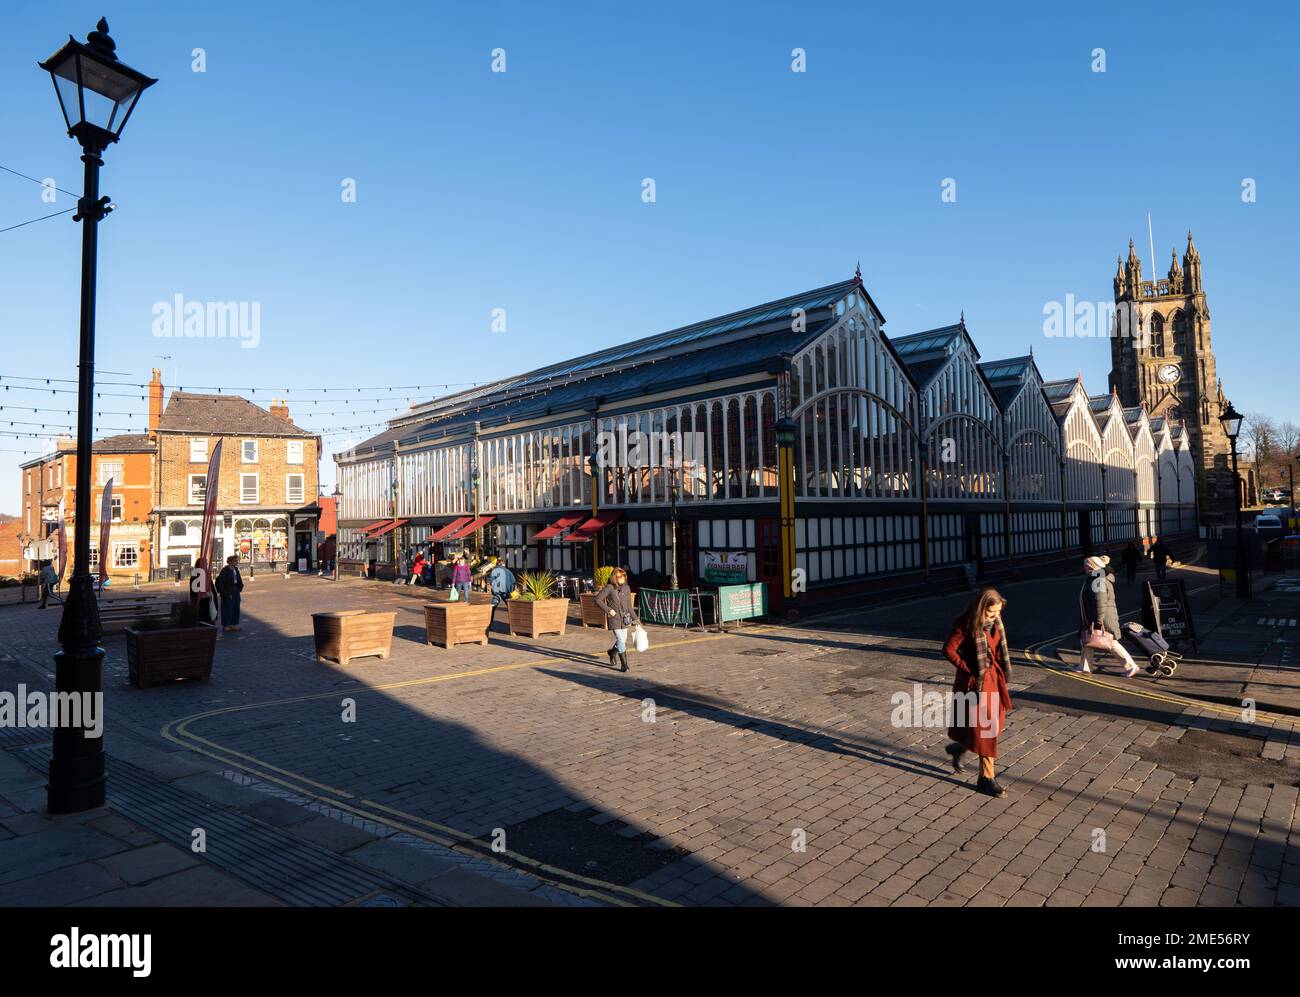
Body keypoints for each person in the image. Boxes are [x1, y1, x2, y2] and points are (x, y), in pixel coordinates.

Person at [943, 588, 1012, 798]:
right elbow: (948, 649)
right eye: (991, 612)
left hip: (994, 679)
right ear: (982, 608)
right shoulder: (966, 624)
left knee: (991, 725)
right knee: (987, 729)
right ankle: (986, 779)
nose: (995, 616)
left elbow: (998, 649)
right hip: (976, 683)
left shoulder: (996, 622)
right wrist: (969, 669)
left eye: (998, 611)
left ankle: (959, 747)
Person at [1078, 555, 1139, 677]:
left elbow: (1100, 601)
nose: (1084, 567)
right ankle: (1084, 666)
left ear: (1092, 566)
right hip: (1094, 616)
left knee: (1111, 642)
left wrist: (1098, 621)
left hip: (1102, 617)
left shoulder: (1098, 579)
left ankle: (1131, 666)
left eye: (1086, 565)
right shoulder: (1095, 577)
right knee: (1087, 639)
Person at [594, 566, 638, 672]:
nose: (622, 578)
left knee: (622, 640)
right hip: (614, 618)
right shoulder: (609, 588)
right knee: (621, 640)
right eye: (620, 576)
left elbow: (628, 605)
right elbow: (598, 599)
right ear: (615, 577)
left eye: (624, 576)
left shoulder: (626, 588)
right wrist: (609, 610)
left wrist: (635, 618)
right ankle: (624, 665)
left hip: (624, 618)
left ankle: (612, 652)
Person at [216, 554, 244, 632]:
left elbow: (239, 579)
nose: (236, 562)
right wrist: (225, 593)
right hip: (228, 590)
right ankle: (226, 625)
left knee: (235, 607)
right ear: (230, 561)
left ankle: (234, 624)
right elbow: (221, 583)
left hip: (235, 590)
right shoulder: (225, 570)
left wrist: (240, 587)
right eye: (235, 561)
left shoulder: (236, 569)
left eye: (237, 560)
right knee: (227, 608)